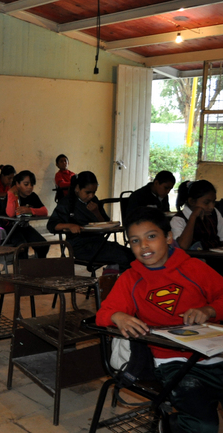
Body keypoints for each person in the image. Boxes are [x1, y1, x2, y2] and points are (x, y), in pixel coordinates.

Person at [97, 207, 223, 433]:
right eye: (135, 241)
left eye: (151, 236)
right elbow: (104, 313)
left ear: (168, 237)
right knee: (203, 425)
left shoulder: (194, 268)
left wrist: (210, 310)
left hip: (215, 352)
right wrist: (118, 316)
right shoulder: (131, 278)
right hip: (172, 362)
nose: (144, 246)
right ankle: (172, 425)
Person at [47, 171, 135, 271]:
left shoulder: (94, 201)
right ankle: (115, 277)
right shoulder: (67, 203)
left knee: (133, 254)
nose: (91, 196)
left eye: (94, 192)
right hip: (82, 247)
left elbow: (106, 224)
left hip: (100, 243)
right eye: (88, 192)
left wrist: (96, 212)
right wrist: (69, 226)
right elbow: (51, 225)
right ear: (77, 188)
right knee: (124, 258)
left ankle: (112, 274)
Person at [5, 170, 49, 258]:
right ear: (17, 184)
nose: (29, 187)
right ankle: (22, 266)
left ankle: (38, 264)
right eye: (26, 184)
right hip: (11, 229)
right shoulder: (12, 195)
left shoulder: (33, 196)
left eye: (32, 185)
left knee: (43, 245)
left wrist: (30, 210)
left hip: (24, 227)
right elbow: (10, 214)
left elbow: (45, 211)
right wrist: (11, 193)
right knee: (22, 247)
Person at [171, 180, 223, 251]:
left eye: (213, 202)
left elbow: (222, 238)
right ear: (192, 202)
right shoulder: (178, 220)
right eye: (206, 202)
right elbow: (182, 246)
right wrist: (193, 216)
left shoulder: (215, 213)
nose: (212, 206)